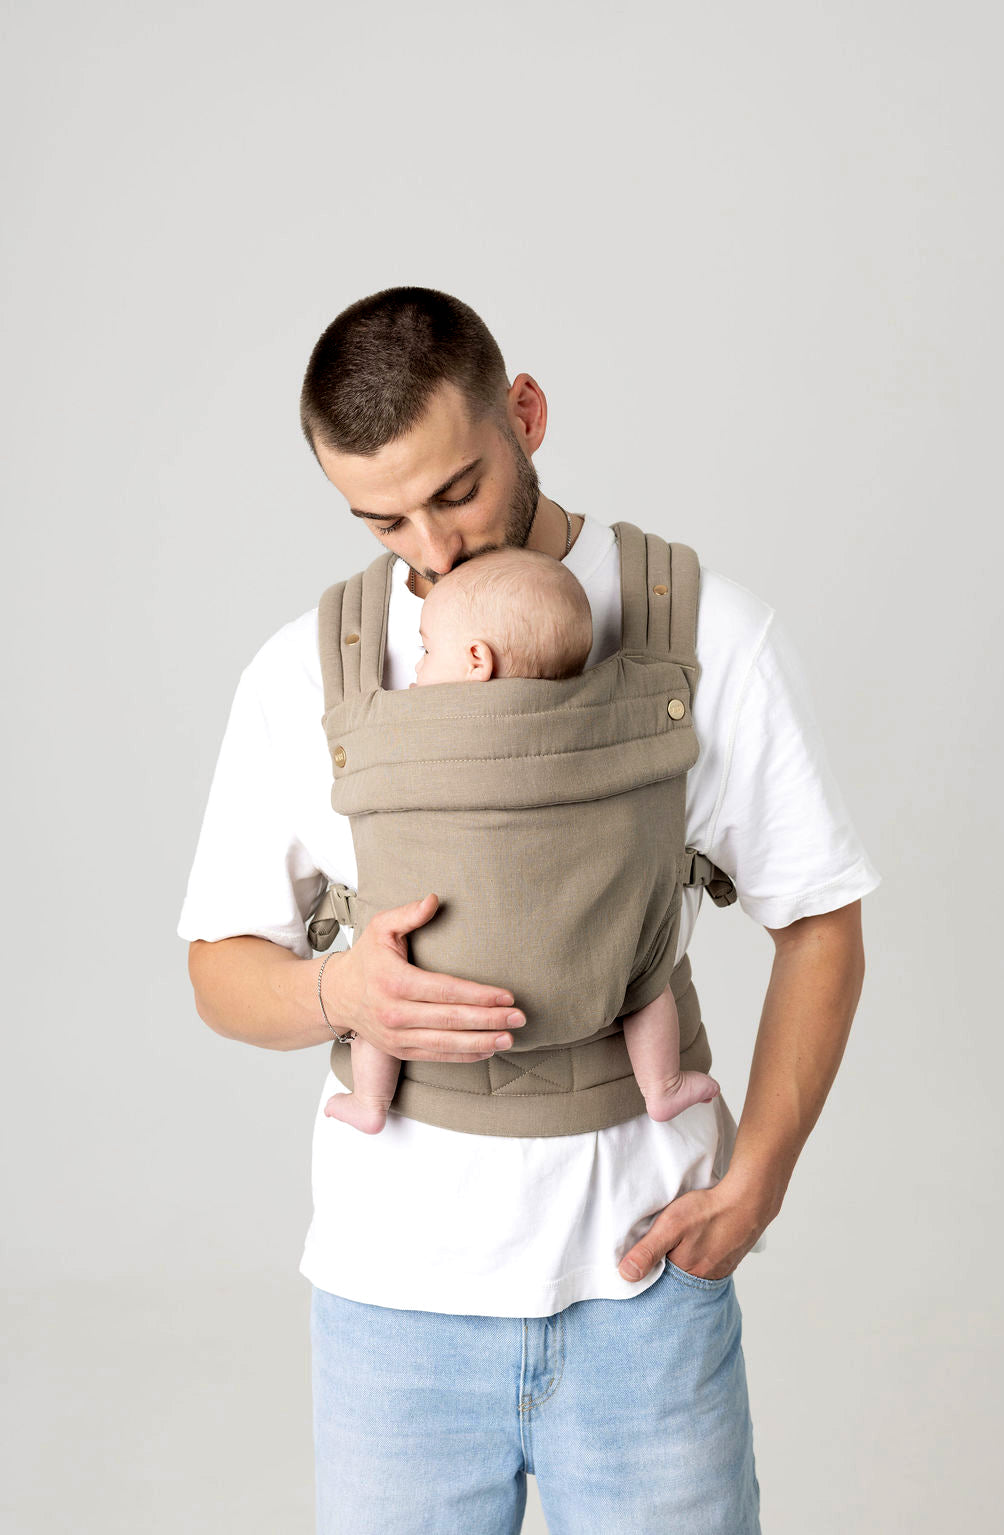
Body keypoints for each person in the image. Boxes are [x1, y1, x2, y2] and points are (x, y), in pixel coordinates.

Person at [179, 285, 880, 1533]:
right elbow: (219, 966)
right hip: (394, 1310)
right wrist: (341, 991)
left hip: (644, 1291)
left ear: (526, 413)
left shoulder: (706, 633)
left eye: (456, 491)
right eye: (383, 518)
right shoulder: (306, 670)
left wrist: (759, 1178)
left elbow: (819, 918)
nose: (432, 549)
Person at [321, 543, 721, 1135]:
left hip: (435, 999)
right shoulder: (601, 718)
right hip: (602, 984)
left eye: (427, 651)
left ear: (476, 661)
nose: (417, 670)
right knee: (648, 982)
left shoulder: (411, 726)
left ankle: (370, 1101)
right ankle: (662, 1086)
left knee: (381, 1000)